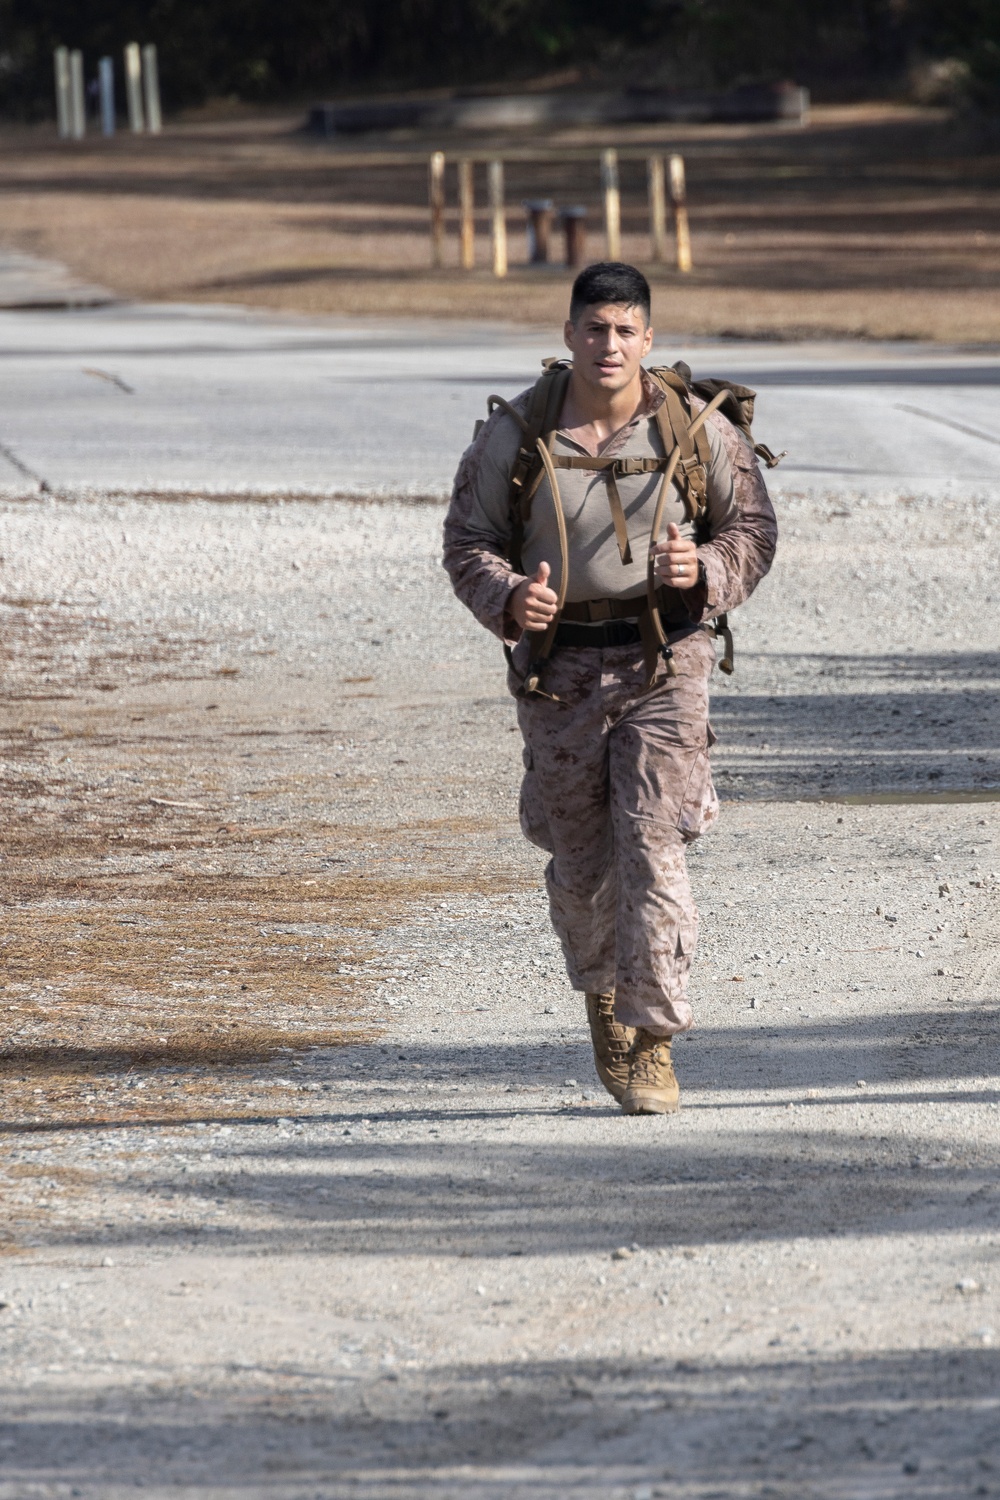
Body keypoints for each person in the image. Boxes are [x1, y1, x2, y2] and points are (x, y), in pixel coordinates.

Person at [443, 262, 777, 1114]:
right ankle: (603, 998)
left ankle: (656, 1037)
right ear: (569, 336)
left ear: (648, 341)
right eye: (596, 328)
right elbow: (467, 540)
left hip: (666, 660)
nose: (610, 344)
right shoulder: (515, 434)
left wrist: (699, 568)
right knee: (581, 862)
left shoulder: (697, 428)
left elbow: (754, 531)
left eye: (627, 330)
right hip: (558, 674)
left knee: (653, 839)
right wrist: (510, 597)